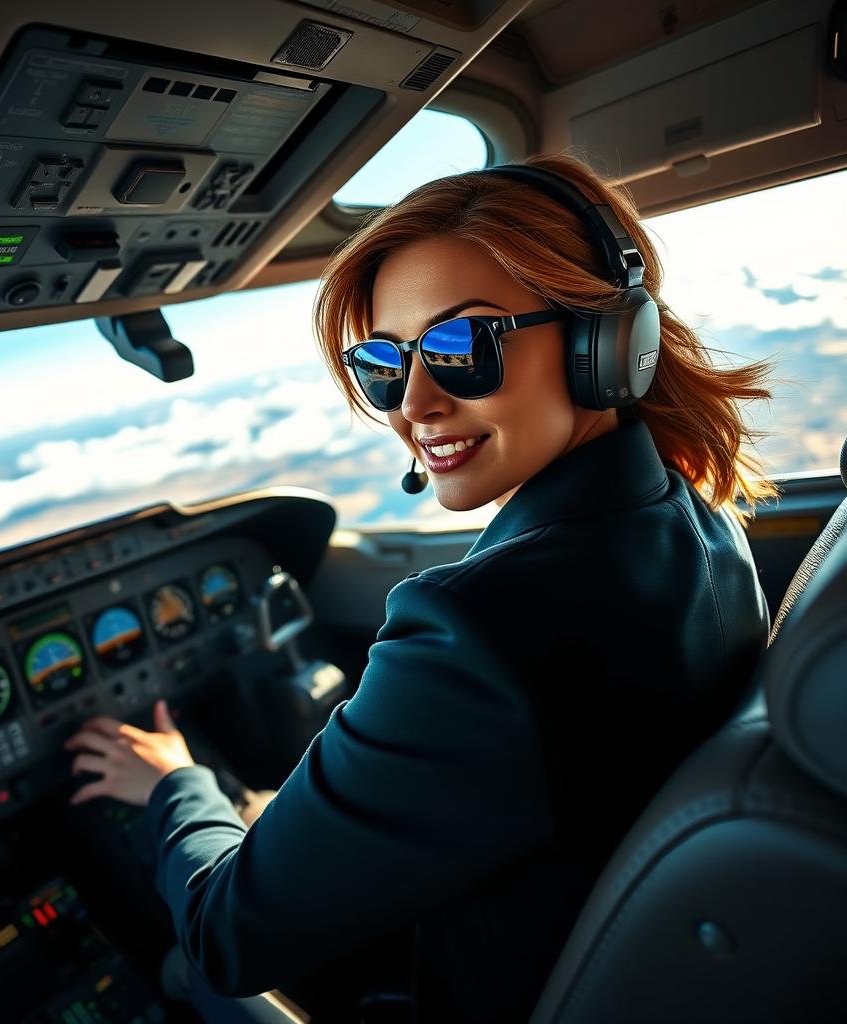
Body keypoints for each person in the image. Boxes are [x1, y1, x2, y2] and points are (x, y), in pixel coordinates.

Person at [63, 154, 775, 1022]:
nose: (414, 402)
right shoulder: (694, 518)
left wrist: (177, 784)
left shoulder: (478, 628)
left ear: (606, 341)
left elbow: (229, 935)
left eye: (461, 346)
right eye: (384, 363)